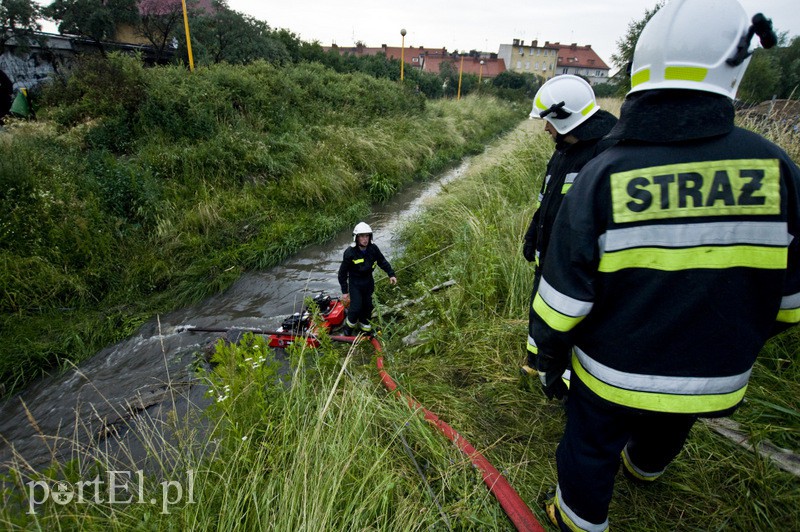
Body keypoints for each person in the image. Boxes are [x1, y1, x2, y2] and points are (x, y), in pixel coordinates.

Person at [527, 1, 798, 530]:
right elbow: (789, 304)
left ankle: (575, 520)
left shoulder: (606, 173)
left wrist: (548, 358)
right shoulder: (778, 170)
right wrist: (725, 340)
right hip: (714, 373)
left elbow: (562, 301)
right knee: (672, 419)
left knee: (590, 444)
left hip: (611, 371)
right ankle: (645, 467)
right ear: (735, 69)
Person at [523, 75, 618, 387]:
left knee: (573, 321)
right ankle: (535, 361)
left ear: (566, 118)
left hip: (575, 263)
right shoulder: (564, 148)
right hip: (549, 255)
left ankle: (566, 383)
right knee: (542, 310)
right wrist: (534, 234)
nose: (546, 129)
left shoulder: (606, 153)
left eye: (549, 122)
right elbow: (547, 200)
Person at [338, 222, 397, 336]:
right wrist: (345, 291)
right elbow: (342, 273)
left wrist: (391, 274)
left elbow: (382, 261)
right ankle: (348, 327)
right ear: (356, 237)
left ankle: (364, 328)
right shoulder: (350, 252)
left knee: (368, 306)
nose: (365, 239)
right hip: (355, 284)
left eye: (367, 236)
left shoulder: (373, 248)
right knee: (356, 307)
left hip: (369, 282)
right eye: (362, 236)